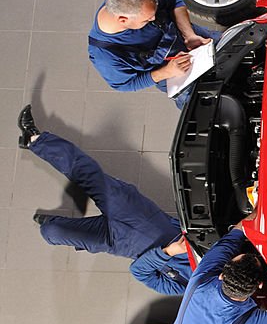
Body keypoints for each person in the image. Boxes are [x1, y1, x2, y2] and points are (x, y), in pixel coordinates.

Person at [17, 105, 193, 295]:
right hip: (139, 214)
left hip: (117, 241)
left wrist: (169, 252)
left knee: (51, 231)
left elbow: (140, 272)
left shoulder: (185, 287)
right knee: (90, 175)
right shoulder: (221, 252)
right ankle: (35, 140)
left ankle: (52, 222)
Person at [88, 0, 221, 109]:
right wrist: (166, 72)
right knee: (208, 106)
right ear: (123, 20)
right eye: (147, 19)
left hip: (196, 41)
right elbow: (126, 84)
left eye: (154, 13)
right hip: (176, 76)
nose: (153, 18)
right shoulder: (104, 54)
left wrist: (189, 35)